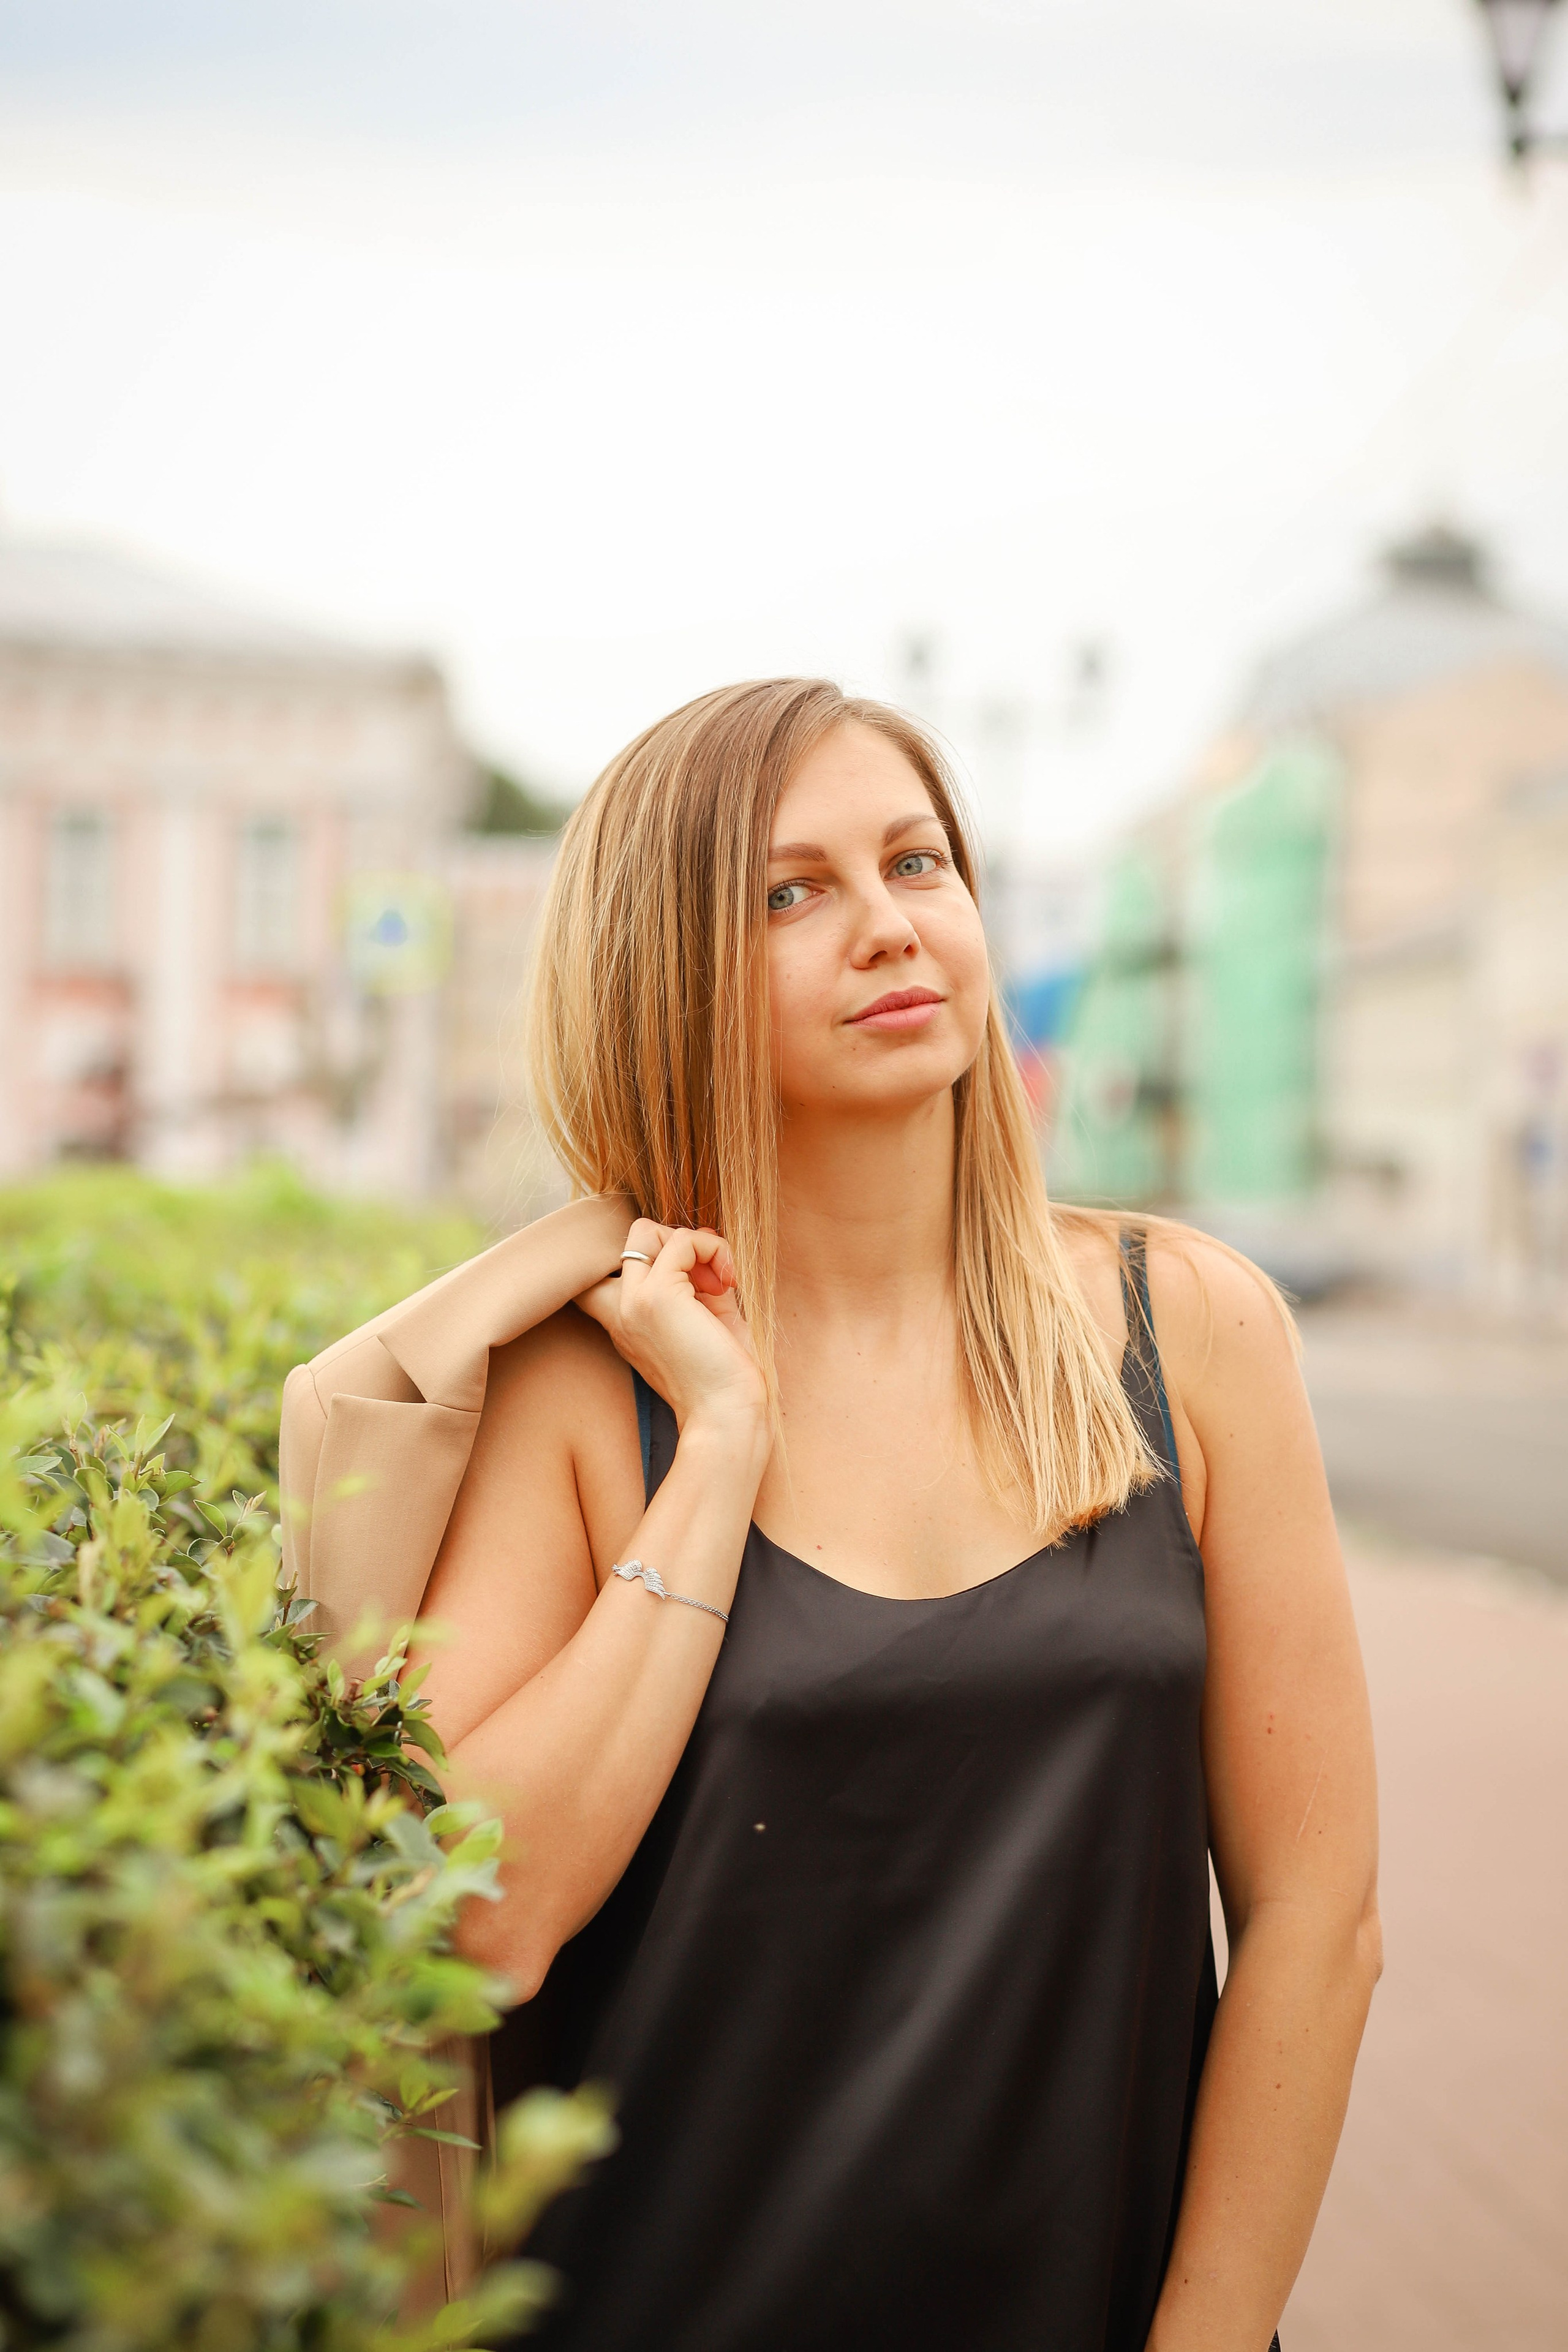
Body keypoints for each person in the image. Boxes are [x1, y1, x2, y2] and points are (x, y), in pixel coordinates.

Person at [282, 678, 1380, 2352]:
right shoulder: (586, 1397)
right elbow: (476, 1922)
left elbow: (1321, 1918)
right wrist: (716, 1453)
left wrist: (1212, 2335)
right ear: (664, 976)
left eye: (917, 864)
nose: (886, 927)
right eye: (790, 894)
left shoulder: (1191, 1331)